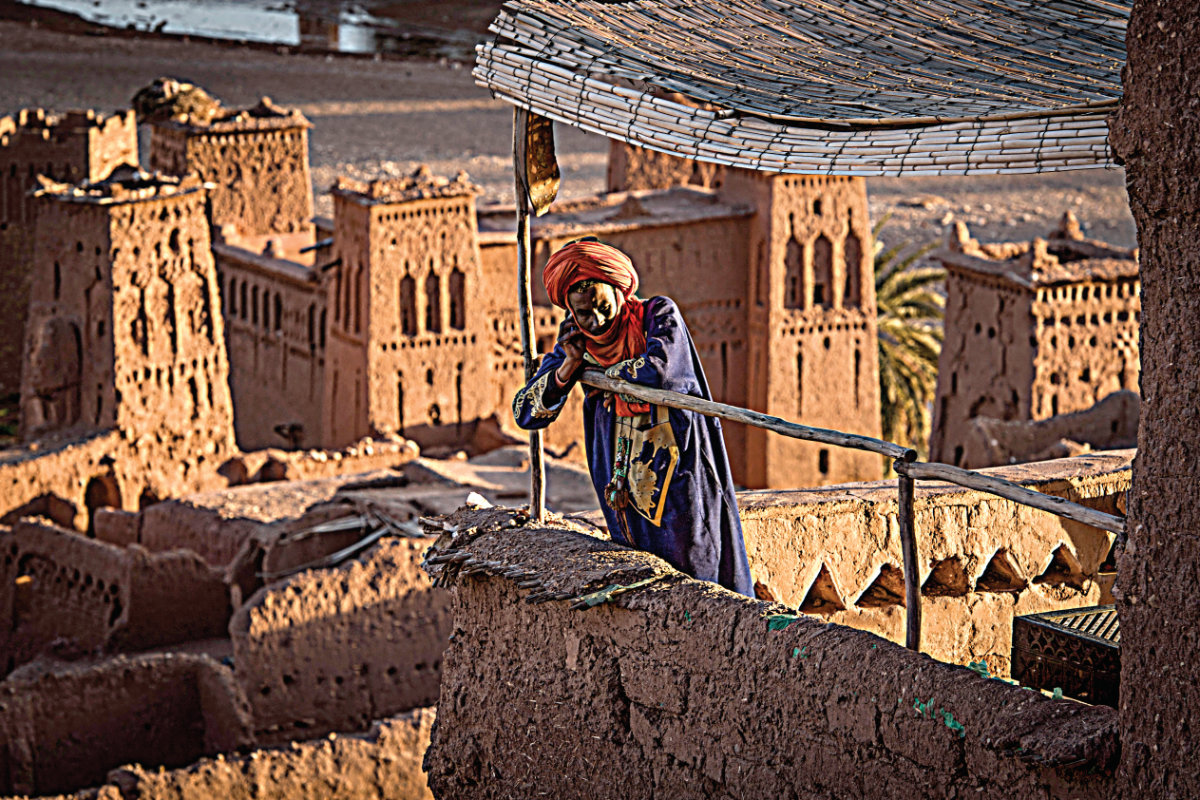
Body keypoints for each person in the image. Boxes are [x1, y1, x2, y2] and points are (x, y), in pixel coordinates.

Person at [512, 238, 753, 596]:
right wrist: (569, 367)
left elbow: (663, 370)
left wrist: (607, 374)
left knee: (694, 561)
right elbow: (526, 413)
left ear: (619, 293)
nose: (595, 321)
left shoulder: (657, 315)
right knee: (640, 569)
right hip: (619, 481)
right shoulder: (575, 345)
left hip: (676, 467)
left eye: (602, 307)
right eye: (583, 314)